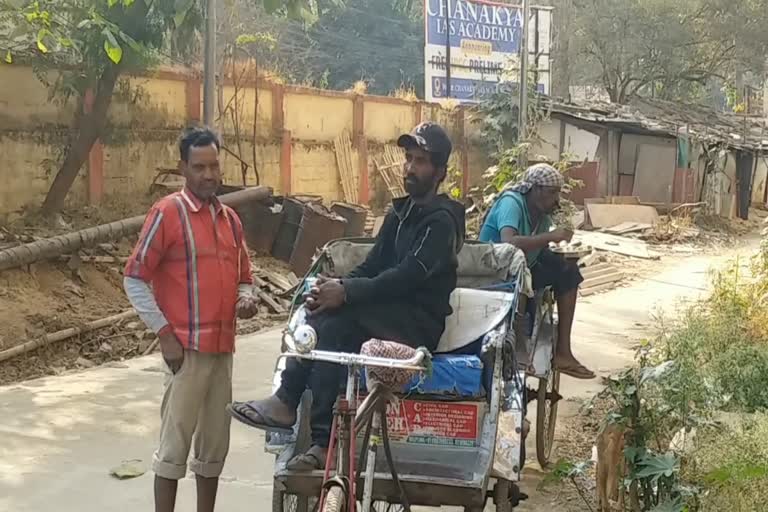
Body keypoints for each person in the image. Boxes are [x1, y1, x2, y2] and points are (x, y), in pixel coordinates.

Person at [228, 122, 466, 470]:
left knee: (340, 320)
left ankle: (319, 435)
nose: (410, 168)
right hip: (387, 312)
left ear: (440, 171)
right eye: (408, 159)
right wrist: (334, 287)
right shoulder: (400, 213)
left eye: (421, 161)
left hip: (417, 323)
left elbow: (407, 277)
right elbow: (372, 265)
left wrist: (348, 293)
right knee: (320, 309)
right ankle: (289, 403)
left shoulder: (442, 222)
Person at [123, 127, 259, 512]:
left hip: (222, 351)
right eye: (199, 167)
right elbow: (134, 278)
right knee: (173, 449)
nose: (209, 175)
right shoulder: (168, 213)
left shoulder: (230, 220)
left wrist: (246, 298)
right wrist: (164, 334)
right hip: (184, 351)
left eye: (214, 165)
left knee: (214, 448)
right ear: (183, 168)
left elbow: (245, 276)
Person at [478, 163, 595, 380]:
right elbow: (509, 243)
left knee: (568, 271)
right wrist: (550, 237)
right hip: (494, 271)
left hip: (524, 267)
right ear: (535, 189)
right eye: (552, 193)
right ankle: (519, 346)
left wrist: (563, 255)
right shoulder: (512, 203)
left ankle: (563, 352)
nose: (556, 200)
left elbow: (537, 248)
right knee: (522, 269)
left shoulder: (541, 215)